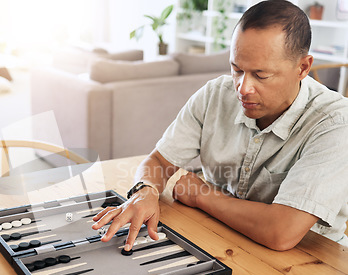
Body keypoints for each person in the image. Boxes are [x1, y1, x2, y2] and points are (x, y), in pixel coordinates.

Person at [92, 0, 348, 251]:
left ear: (303, 67)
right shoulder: (215, 94)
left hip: (309, 264)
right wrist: (144, 191)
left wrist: (200, 195)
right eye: (236, 69)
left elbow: (281, 232)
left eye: (261, 75)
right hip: (218, 235)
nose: (243, 88)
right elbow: (159, 162)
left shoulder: (335, 122)